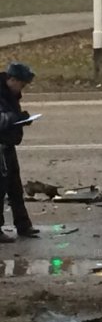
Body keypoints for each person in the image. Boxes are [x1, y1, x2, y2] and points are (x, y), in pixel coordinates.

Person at [0, 62, 38, 243]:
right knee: (1, 189)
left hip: (8, 146)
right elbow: (2, 119)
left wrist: (22, 120)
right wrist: (18, 118)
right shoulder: (2, 94)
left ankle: (23, 225)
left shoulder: (10, 94)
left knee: (15, 187)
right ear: (12, 79)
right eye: (21, 85)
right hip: (0, 147)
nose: (22, 89)